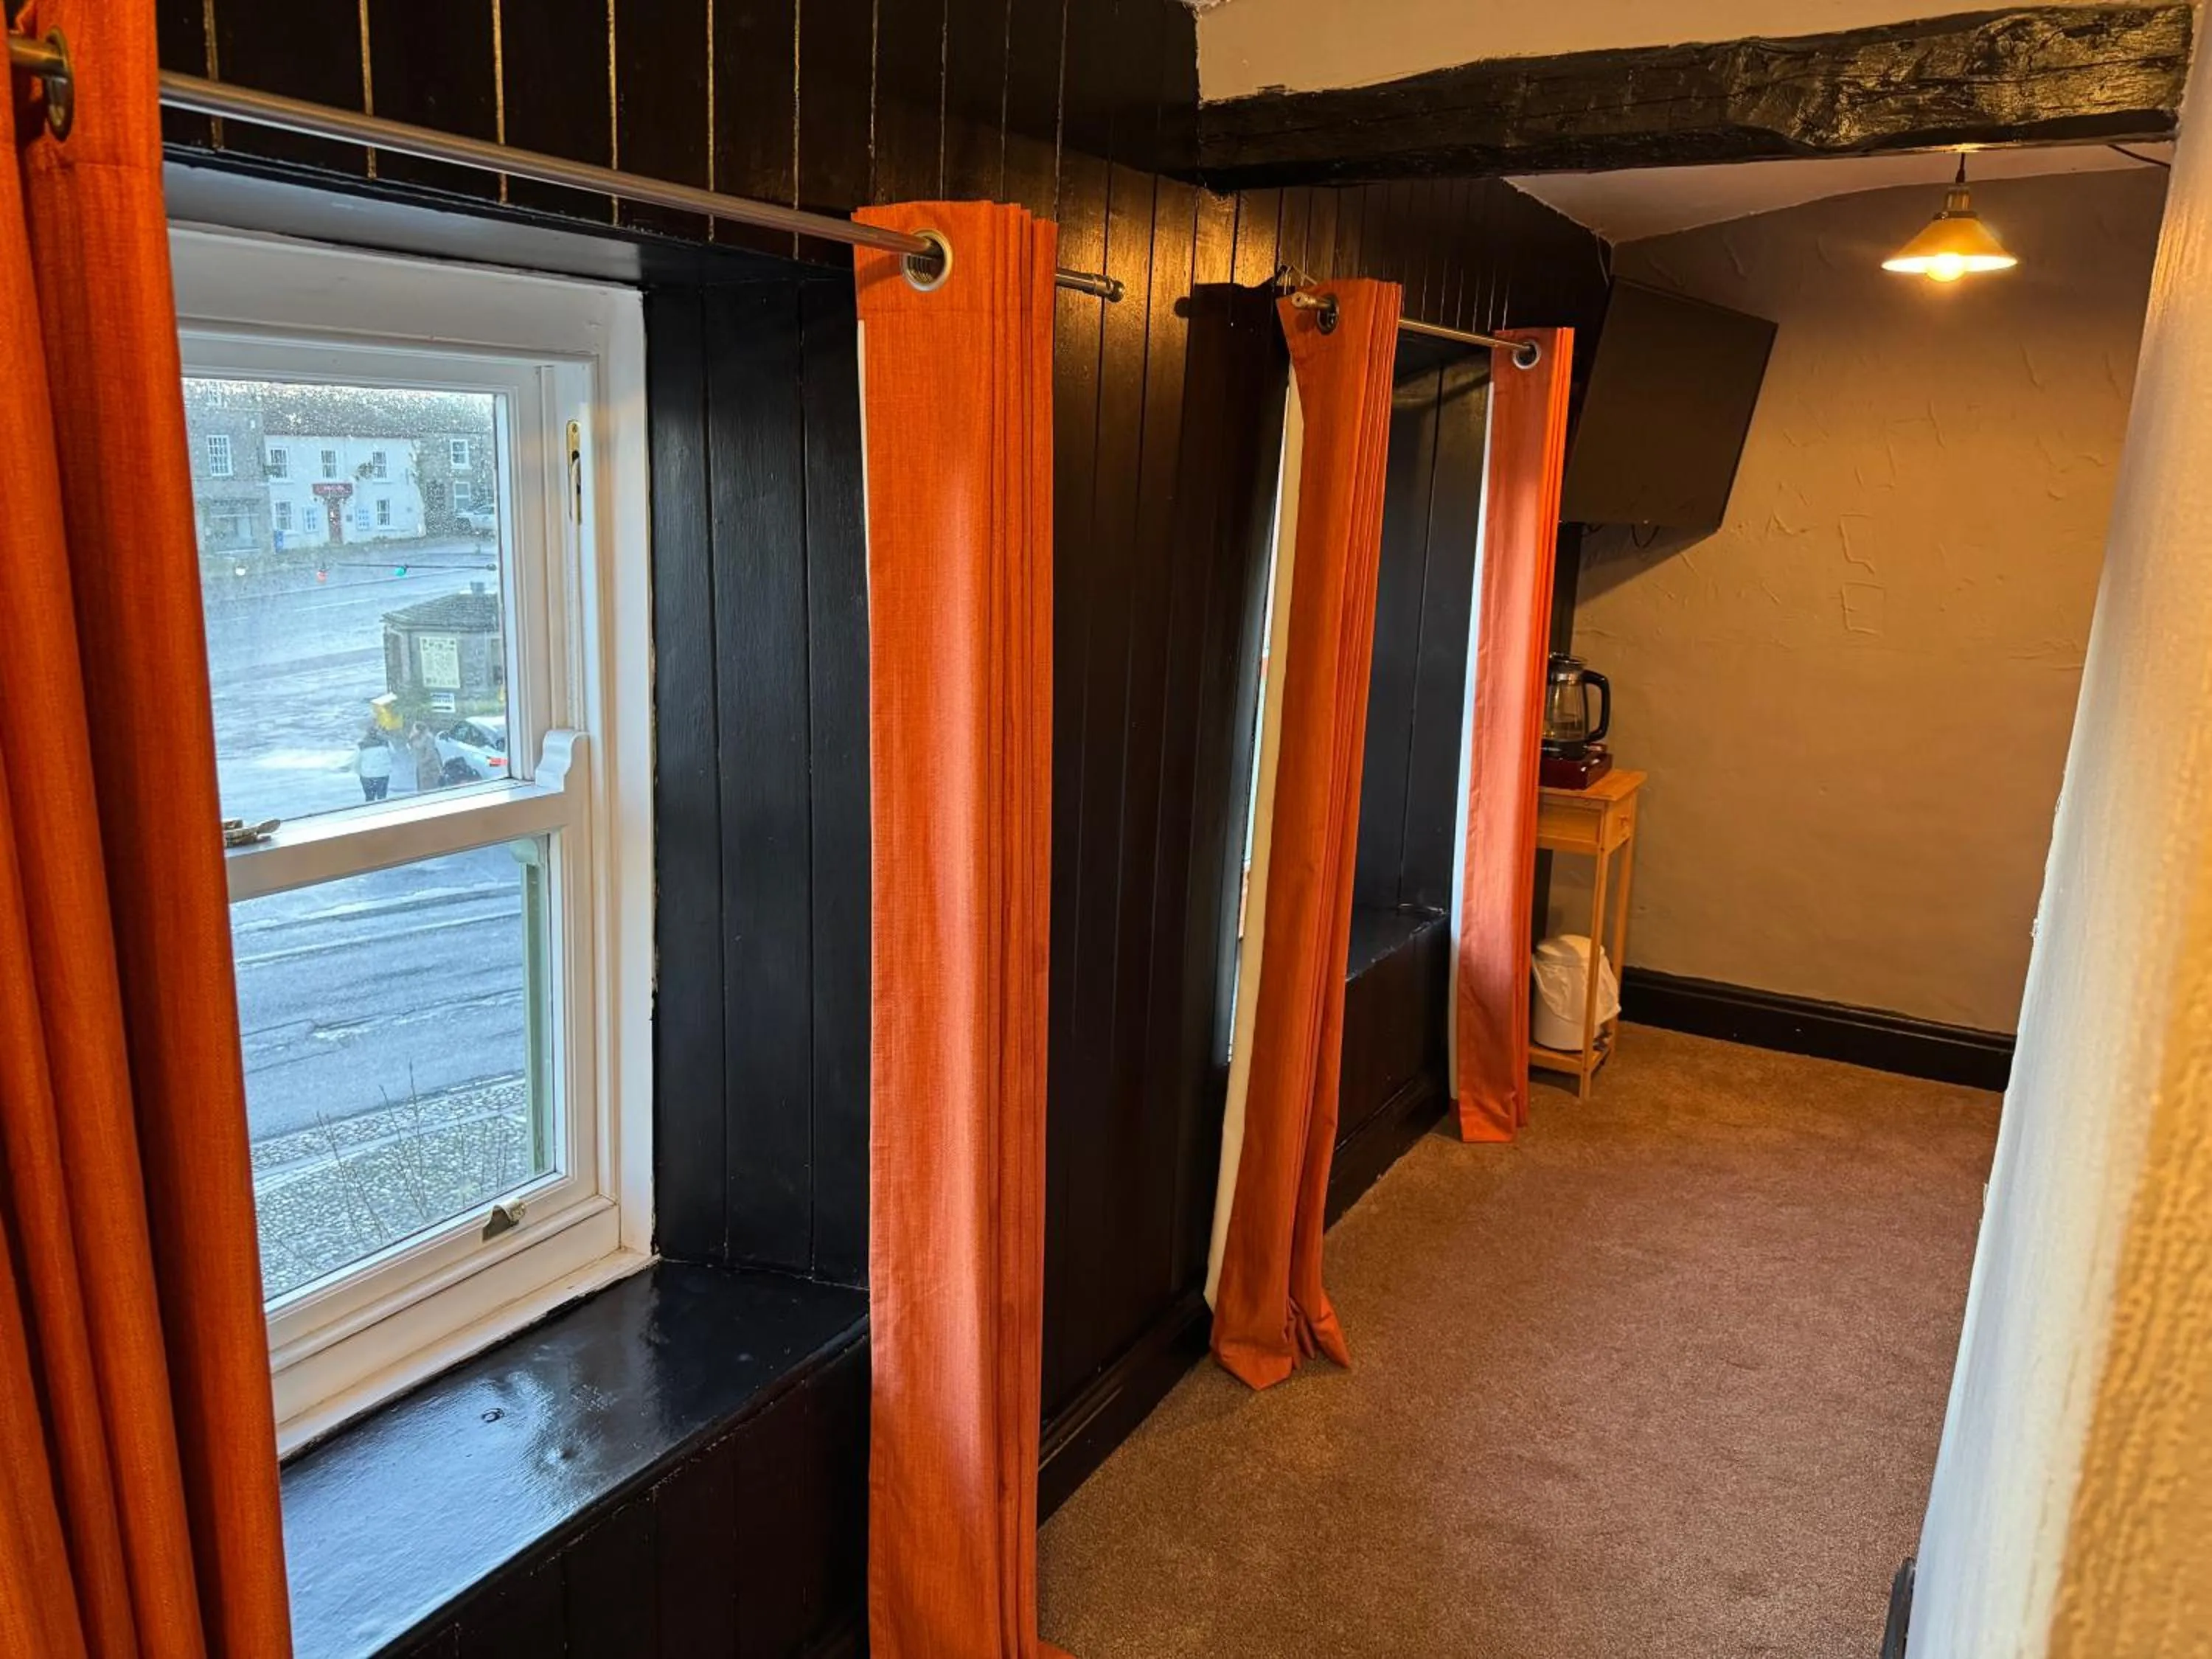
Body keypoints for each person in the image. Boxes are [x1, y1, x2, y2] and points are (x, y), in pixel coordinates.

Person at [355, 725, 393, 801]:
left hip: (367, 776)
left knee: (369, 798)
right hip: (383, 774)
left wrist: (359, 772)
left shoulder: (361, 745)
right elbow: (392, 753)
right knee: (382, 798)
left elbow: (356, 762)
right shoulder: (386, 742)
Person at [408, 720, 443, 793]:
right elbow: (413, 750)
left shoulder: (428, 738)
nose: (412, 731)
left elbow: (430, 754)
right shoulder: (415, 738)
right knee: (422, 788)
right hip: (421, 768)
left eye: (414, 729)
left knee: (430, 788)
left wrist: (422, 762)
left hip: (429, 768)